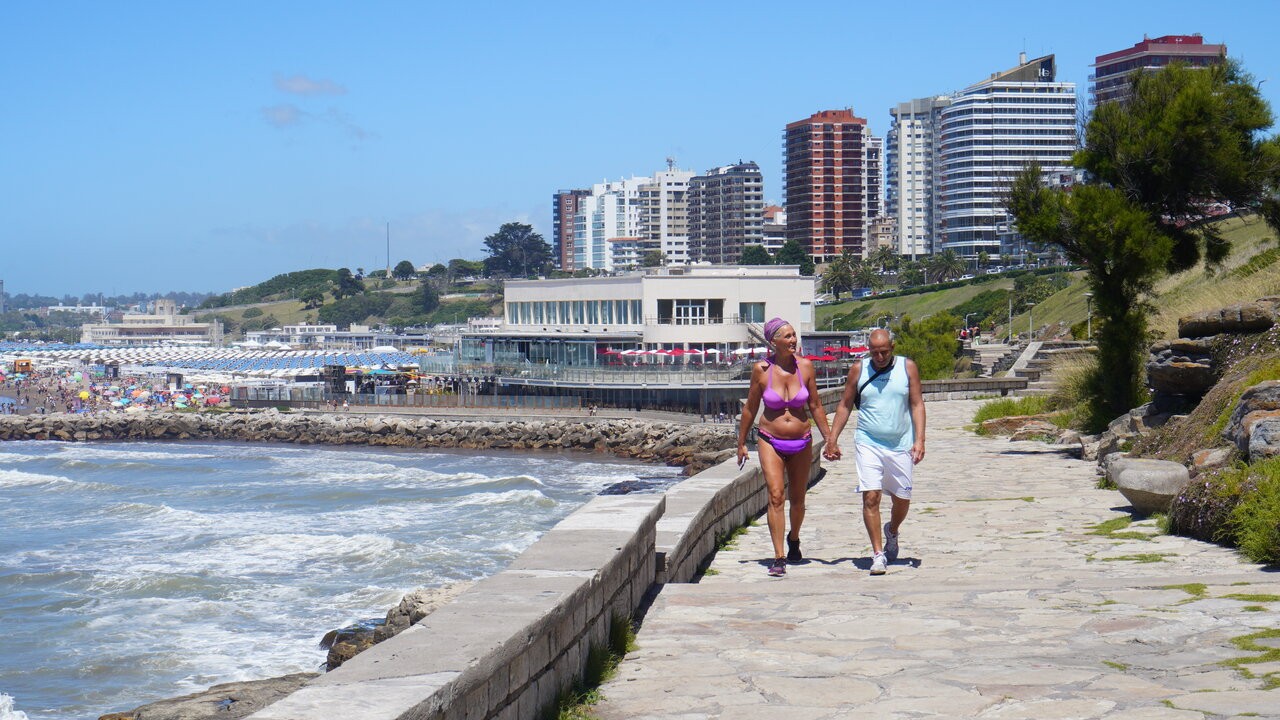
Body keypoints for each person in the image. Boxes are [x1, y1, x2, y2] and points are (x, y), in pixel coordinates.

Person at [824, 328, 926, 576]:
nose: (879, 357)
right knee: (871, 496)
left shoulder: (907, 367)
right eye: (874, 352)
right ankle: (878, 554)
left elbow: (916, 403)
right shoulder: (859, 369)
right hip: (868, 441)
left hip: (900, 443)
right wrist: (832, 439)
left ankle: (892, 530)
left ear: (892, 348)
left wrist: (919, 440)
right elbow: (845, 404)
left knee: (902, 498)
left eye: (884, 352)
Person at [738, 317, 834, 578]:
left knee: (799, 500)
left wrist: (829, 438)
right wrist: (741, 443)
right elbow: (750, 407)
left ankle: (794, 538)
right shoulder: (761, 370)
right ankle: (778, 556)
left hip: (802, 441)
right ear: (773, 342)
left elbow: (815, 405)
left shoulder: (805, 367)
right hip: (770, 439)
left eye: (794, 335)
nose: (793, 340)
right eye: (788, 336)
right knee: (776, 495)